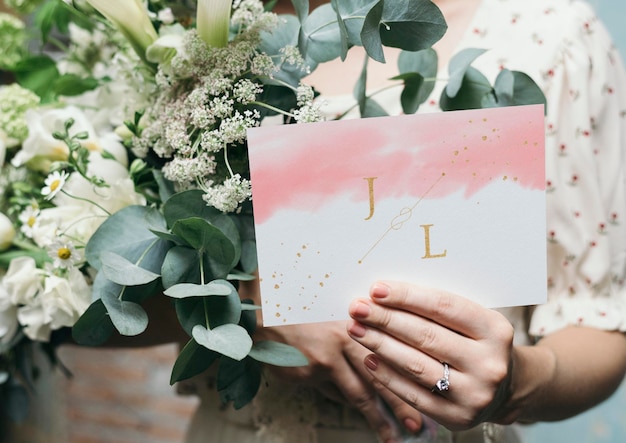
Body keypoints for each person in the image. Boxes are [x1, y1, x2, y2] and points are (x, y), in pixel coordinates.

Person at [183, 0, 626, 442]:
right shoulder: (210, 32)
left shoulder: (548, 36)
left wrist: (513, 383)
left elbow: (598, 318)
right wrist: (243, 307)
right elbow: (124, 314)